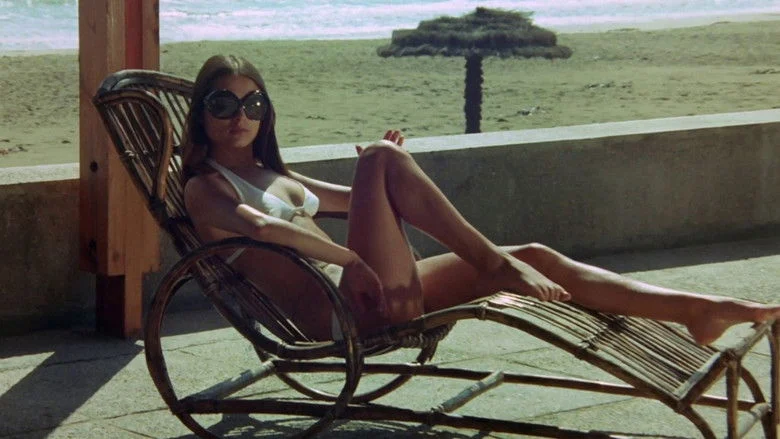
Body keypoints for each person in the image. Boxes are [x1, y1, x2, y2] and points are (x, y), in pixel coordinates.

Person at [182, 54, 780, 343]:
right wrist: (355, 255)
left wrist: (377, 176)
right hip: (338, 315)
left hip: (367, 289)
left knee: (536, 255)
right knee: (384, 163)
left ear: (266, 113)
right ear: (201, 114)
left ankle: (696, 309)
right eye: (223, 104)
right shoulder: (206, 187)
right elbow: (263, 229)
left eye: (253, 103)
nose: (240, 116)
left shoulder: (273, 172)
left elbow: (349, 203)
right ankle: (495, 263)